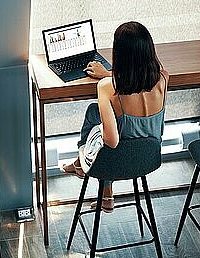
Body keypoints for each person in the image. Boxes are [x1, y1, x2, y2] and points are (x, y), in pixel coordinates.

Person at [62, 21, 168, 212]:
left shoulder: (107, 88)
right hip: (149, 157)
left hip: (117, 162)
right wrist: (110, 75)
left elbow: (111, 142)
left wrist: (107, 78)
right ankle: (100, 188)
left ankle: (83, 165)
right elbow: (138, 80)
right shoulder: (163, 78)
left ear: (119, 54)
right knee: (95, 111)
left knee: (100, 121)